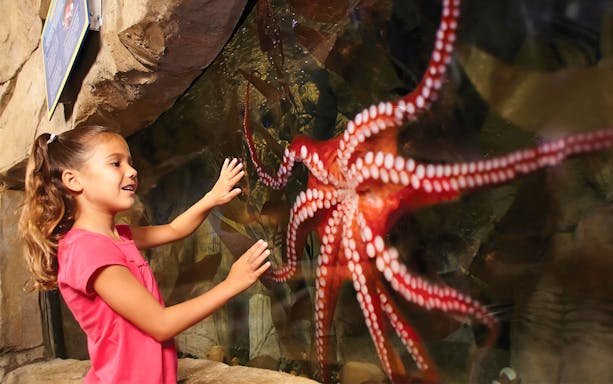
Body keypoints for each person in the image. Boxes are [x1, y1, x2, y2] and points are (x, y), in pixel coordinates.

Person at [19, 125, 271, 383]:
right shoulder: (88, 250)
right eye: (115, 163)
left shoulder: (118, 235)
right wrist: (232, 284)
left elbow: (175, 229)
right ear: (74, 180)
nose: (132, 171)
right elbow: (161, 325)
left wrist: (211, 198)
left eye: (130, 162)